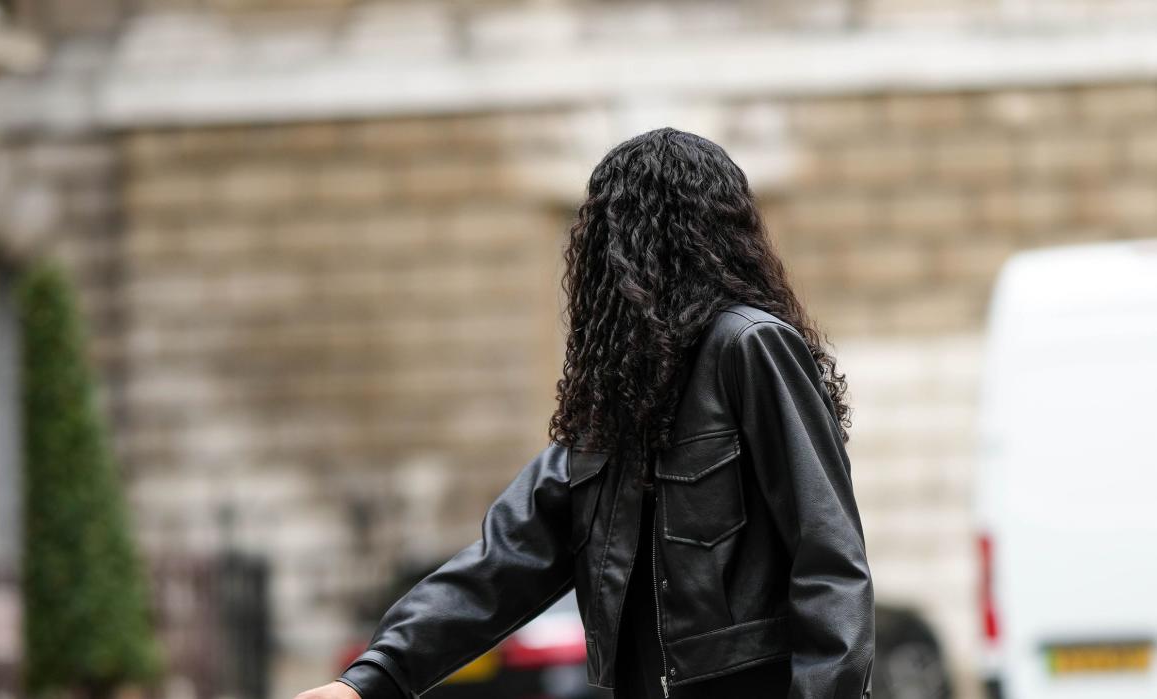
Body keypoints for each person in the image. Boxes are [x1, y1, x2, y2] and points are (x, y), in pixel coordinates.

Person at [297, 127, 874, 699]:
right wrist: (367, 682)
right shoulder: (616, 398)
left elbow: (829, 558)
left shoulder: (747, 345)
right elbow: (504, 561)